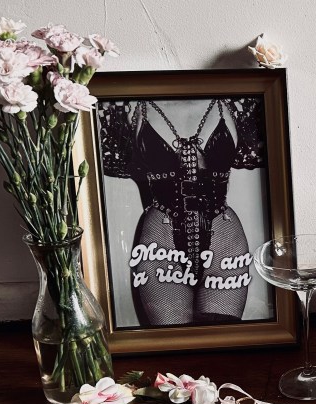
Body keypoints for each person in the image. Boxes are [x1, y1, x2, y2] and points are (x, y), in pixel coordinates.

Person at [97, 97, 267, 326]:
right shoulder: (127, 107)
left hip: (224, 238)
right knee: (172, 341)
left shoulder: (238, 104)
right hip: (160, 239)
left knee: (221, 338)